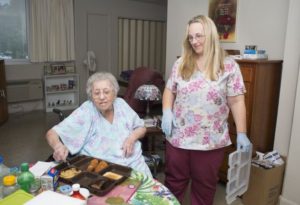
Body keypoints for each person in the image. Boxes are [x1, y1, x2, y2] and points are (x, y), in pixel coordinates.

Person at [161, 15, 251, 205]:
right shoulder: (181, 63)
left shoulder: (228, 66)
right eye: (191, 37)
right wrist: (167, 111)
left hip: (210, 141)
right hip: (178, 138)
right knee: (173, 184)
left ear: (210, 35)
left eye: (199, 36)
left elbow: (236, 102)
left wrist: (242, 133)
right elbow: (170, 90)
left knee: (204, 188)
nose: (194, 41)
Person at [45, 72, 152, 178]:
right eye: (96, 93)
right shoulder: (86, 111)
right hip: (106, 173)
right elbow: (52, 133)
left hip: (137, 167)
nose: (102, 97)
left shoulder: (121, 104)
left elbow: (141, 127)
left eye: (106, 92)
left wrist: (131, 138)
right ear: (91, 95)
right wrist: (58, 146)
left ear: (114, 93)